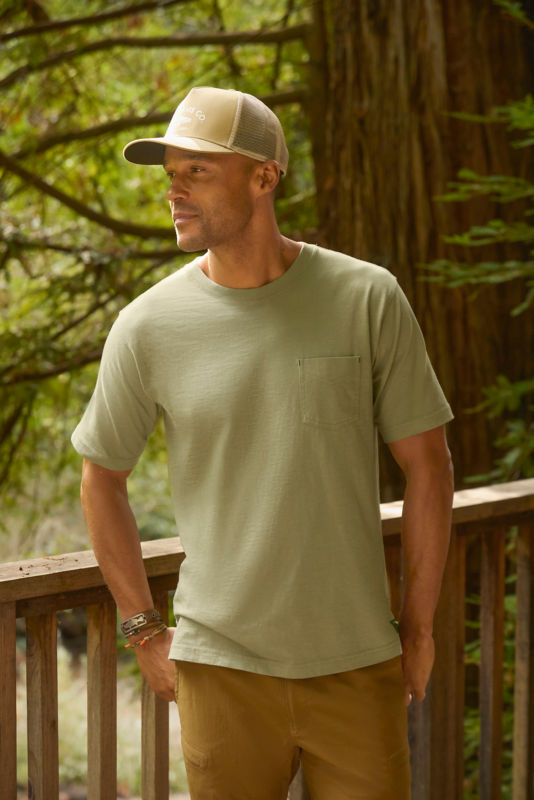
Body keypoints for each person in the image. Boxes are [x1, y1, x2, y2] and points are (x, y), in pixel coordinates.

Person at [72, 86, 454, 799]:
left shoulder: (367, 297)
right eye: (171, 174)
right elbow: (101, 479)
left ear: (264, 177)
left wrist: (421, 628)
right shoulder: (147, 325)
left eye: (197, 172)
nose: (174, 192)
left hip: (358, 662)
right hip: (220, 669)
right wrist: (143, 629)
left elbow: (428, 467)